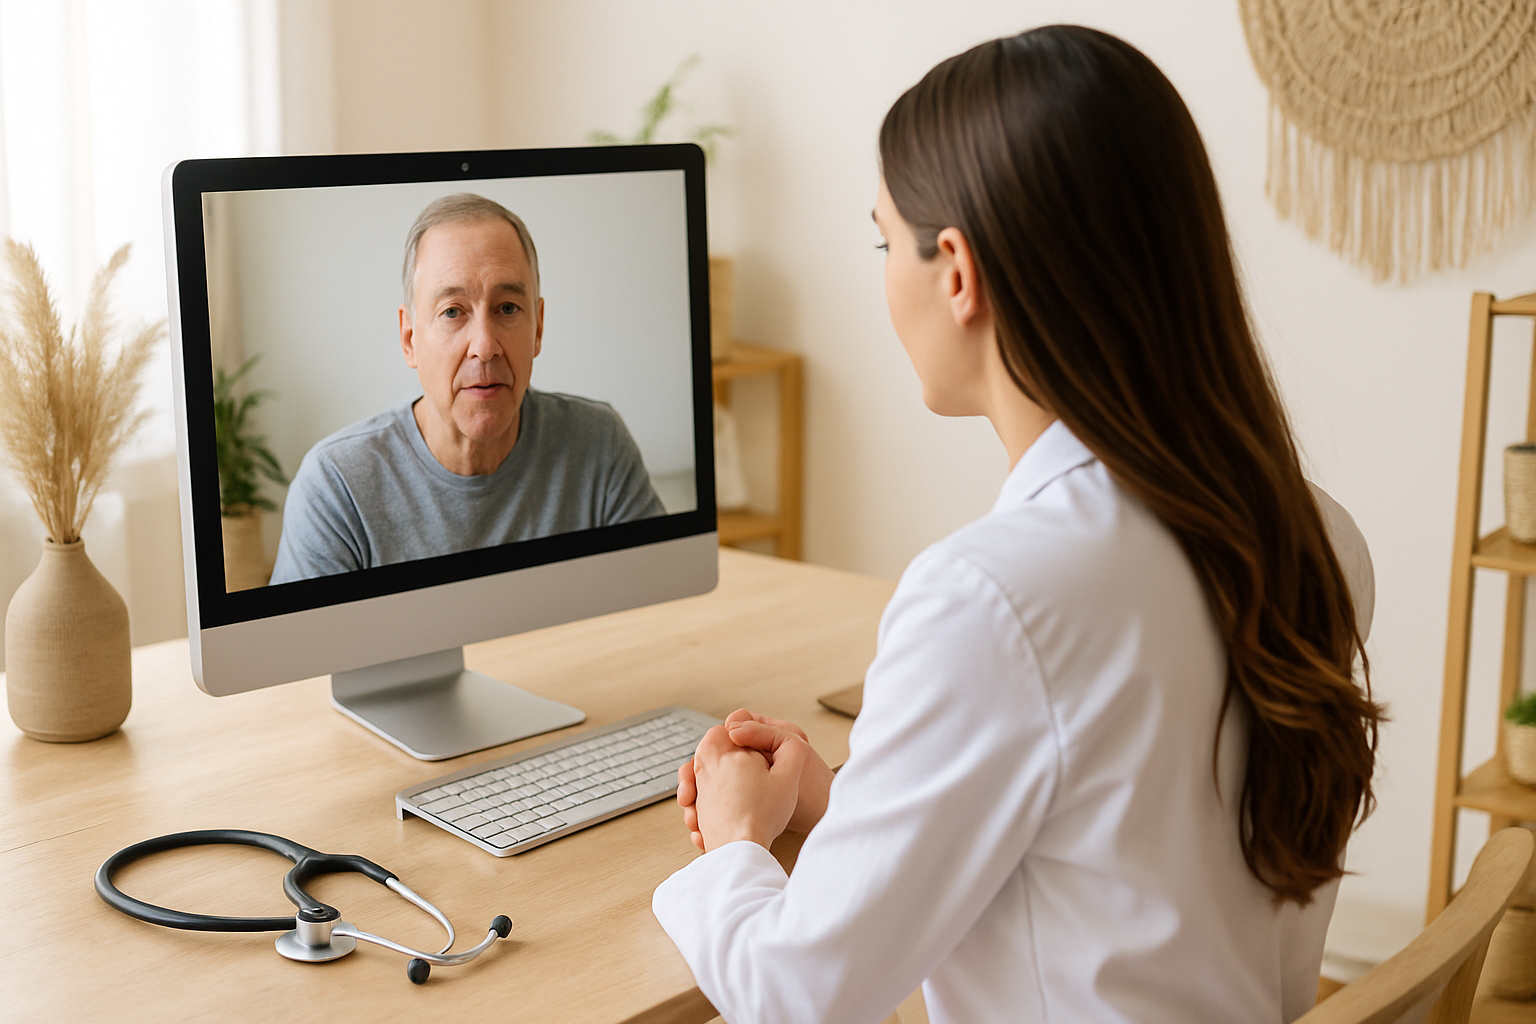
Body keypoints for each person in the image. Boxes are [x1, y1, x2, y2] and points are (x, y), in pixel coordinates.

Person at [652, 25, 1382, 1024]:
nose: (880, 276)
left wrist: (736, 839)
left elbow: (796, 995)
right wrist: (851, 806)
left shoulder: (992, 599)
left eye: (882, 240)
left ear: (956, 270)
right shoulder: (1315, 536)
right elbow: (1126, 847)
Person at [270, 193, 665, 583]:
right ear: (409, 338)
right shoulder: (335, 486)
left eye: (507, 308)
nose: (485, 346)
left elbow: (661, 602)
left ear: (538, 328)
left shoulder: (599, 444)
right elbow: (301, 648)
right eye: (453, 312)